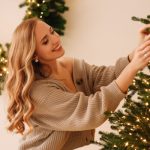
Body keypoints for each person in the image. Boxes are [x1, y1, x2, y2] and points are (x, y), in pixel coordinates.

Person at [5, 17, 150, 150]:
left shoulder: (70, 65)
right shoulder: (38, 92)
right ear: (34, 54)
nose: (55, 39)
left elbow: (107, 77)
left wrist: (139, 51)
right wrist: (133, 67)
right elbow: (92, 111)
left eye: (52, 32)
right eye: (45, 41)